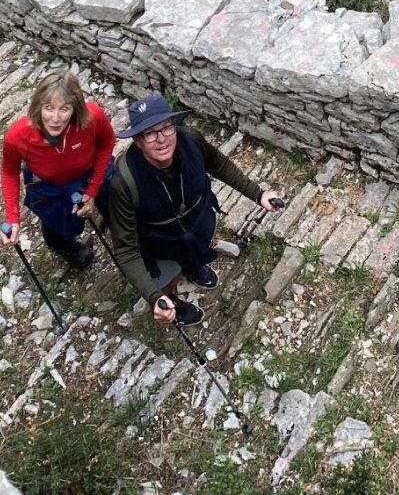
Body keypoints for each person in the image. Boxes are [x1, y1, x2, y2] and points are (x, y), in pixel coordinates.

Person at [105, 94, 283, 326]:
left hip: (198, 225)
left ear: (175, 127)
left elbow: (219, 165)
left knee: (195, 251)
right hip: (159, 246)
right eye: (150, 133)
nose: (161, 139)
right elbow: (126, 251)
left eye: (166, 128)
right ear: (137, 141)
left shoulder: (191, 141)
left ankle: (194, 267)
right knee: (164, 279)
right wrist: (154, 297)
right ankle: (171, 301)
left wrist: (258, 194)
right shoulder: (125, 183)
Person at [0, 71, 115, 269]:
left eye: (65, 109)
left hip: (90, 171)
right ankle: (62, 244)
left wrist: (92, 190)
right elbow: (9, 171)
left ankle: (116, 224)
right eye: (49, 108)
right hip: (51, 185)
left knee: (116, 203)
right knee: (57, 222)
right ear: (38, 107)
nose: (56, 118)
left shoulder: (93, 117)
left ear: (75, 109)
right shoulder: (17, 137)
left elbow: (107, 143)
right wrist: (12, 218)